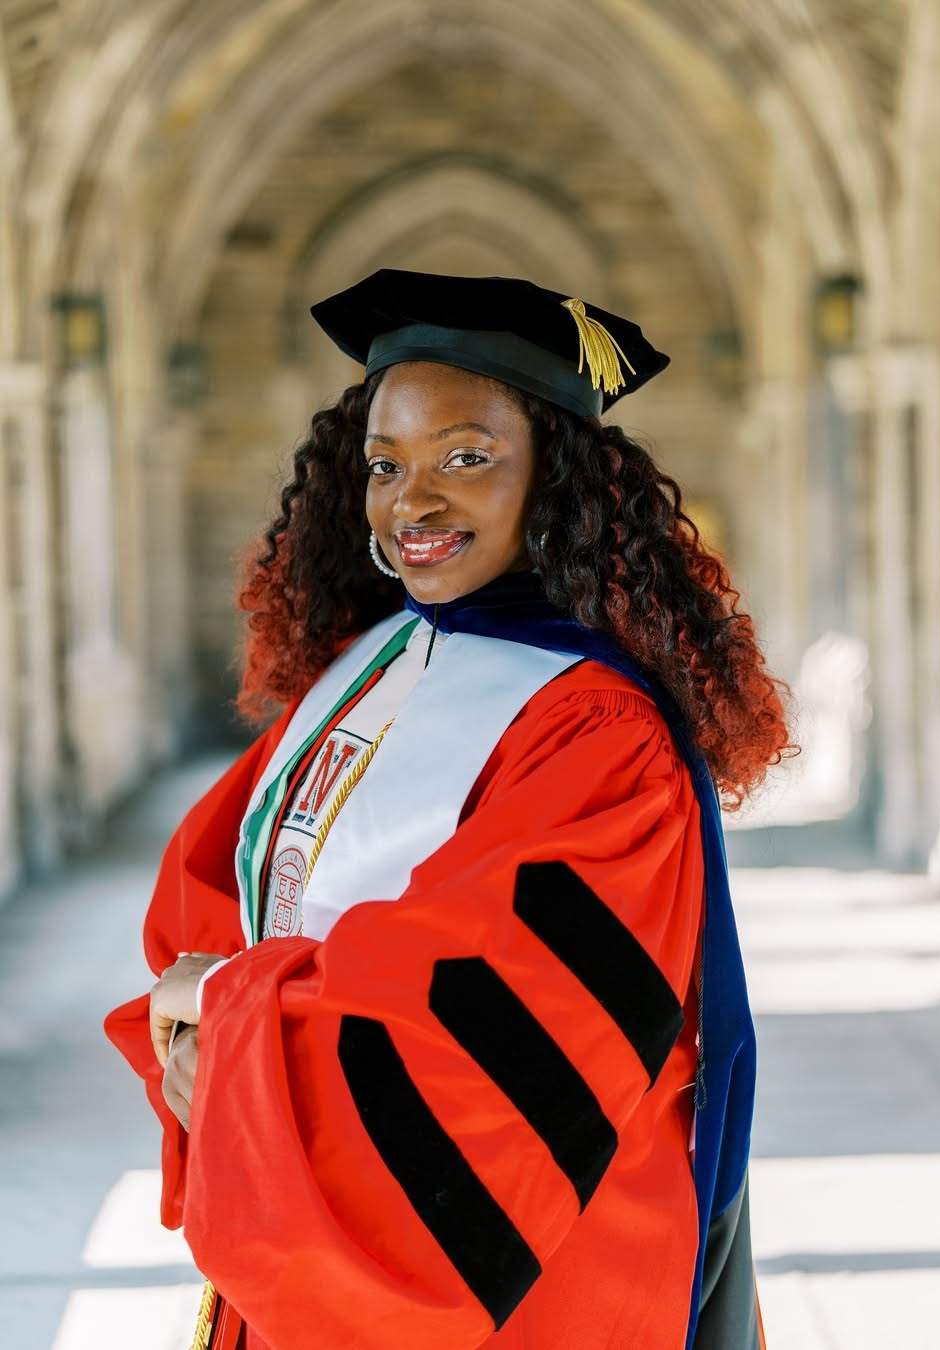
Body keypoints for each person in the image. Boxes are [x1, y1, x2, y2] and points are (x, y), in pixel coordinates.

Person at [105, 269, 791, 1349]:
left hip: (515, 1256)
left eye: (466, 458)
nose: (413, 502)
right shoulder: (372, 665)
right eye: (387, 465)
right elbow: (215, 887)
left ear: (553, 479)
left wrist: (239, 1027)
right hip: (310, 1191)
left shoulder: (598, 733)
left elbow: (495, 1015)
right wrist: (225, 1044)